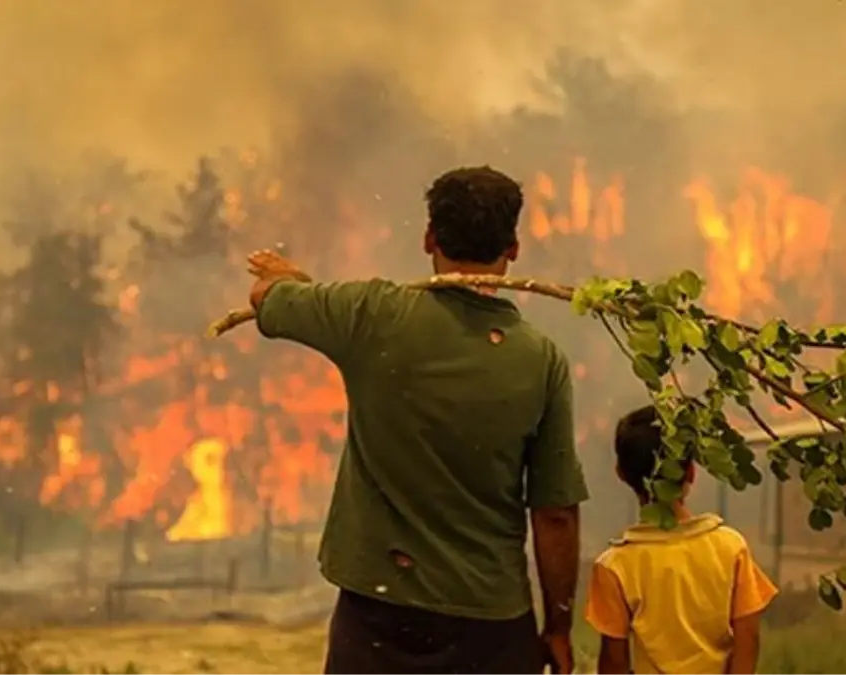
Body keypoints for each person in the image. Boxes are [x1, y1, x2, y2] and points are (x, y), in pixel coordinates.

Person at [245, 165, 589, 675]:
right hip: (490, 626)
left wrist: (289, 282)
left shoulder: (368, 315)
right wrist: (558, 626)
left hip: (378, 618)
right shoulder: (541, 361)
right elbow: (555, 512)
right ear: (513, 248)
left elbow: (265, 299)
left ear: (429, 237)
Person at [585, 406, 779, 675]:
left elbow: (614, 661)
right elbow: (748, 640)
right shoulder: (731, 547)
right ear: (691, 472)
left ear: (621, 473)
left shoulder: (615, 566)